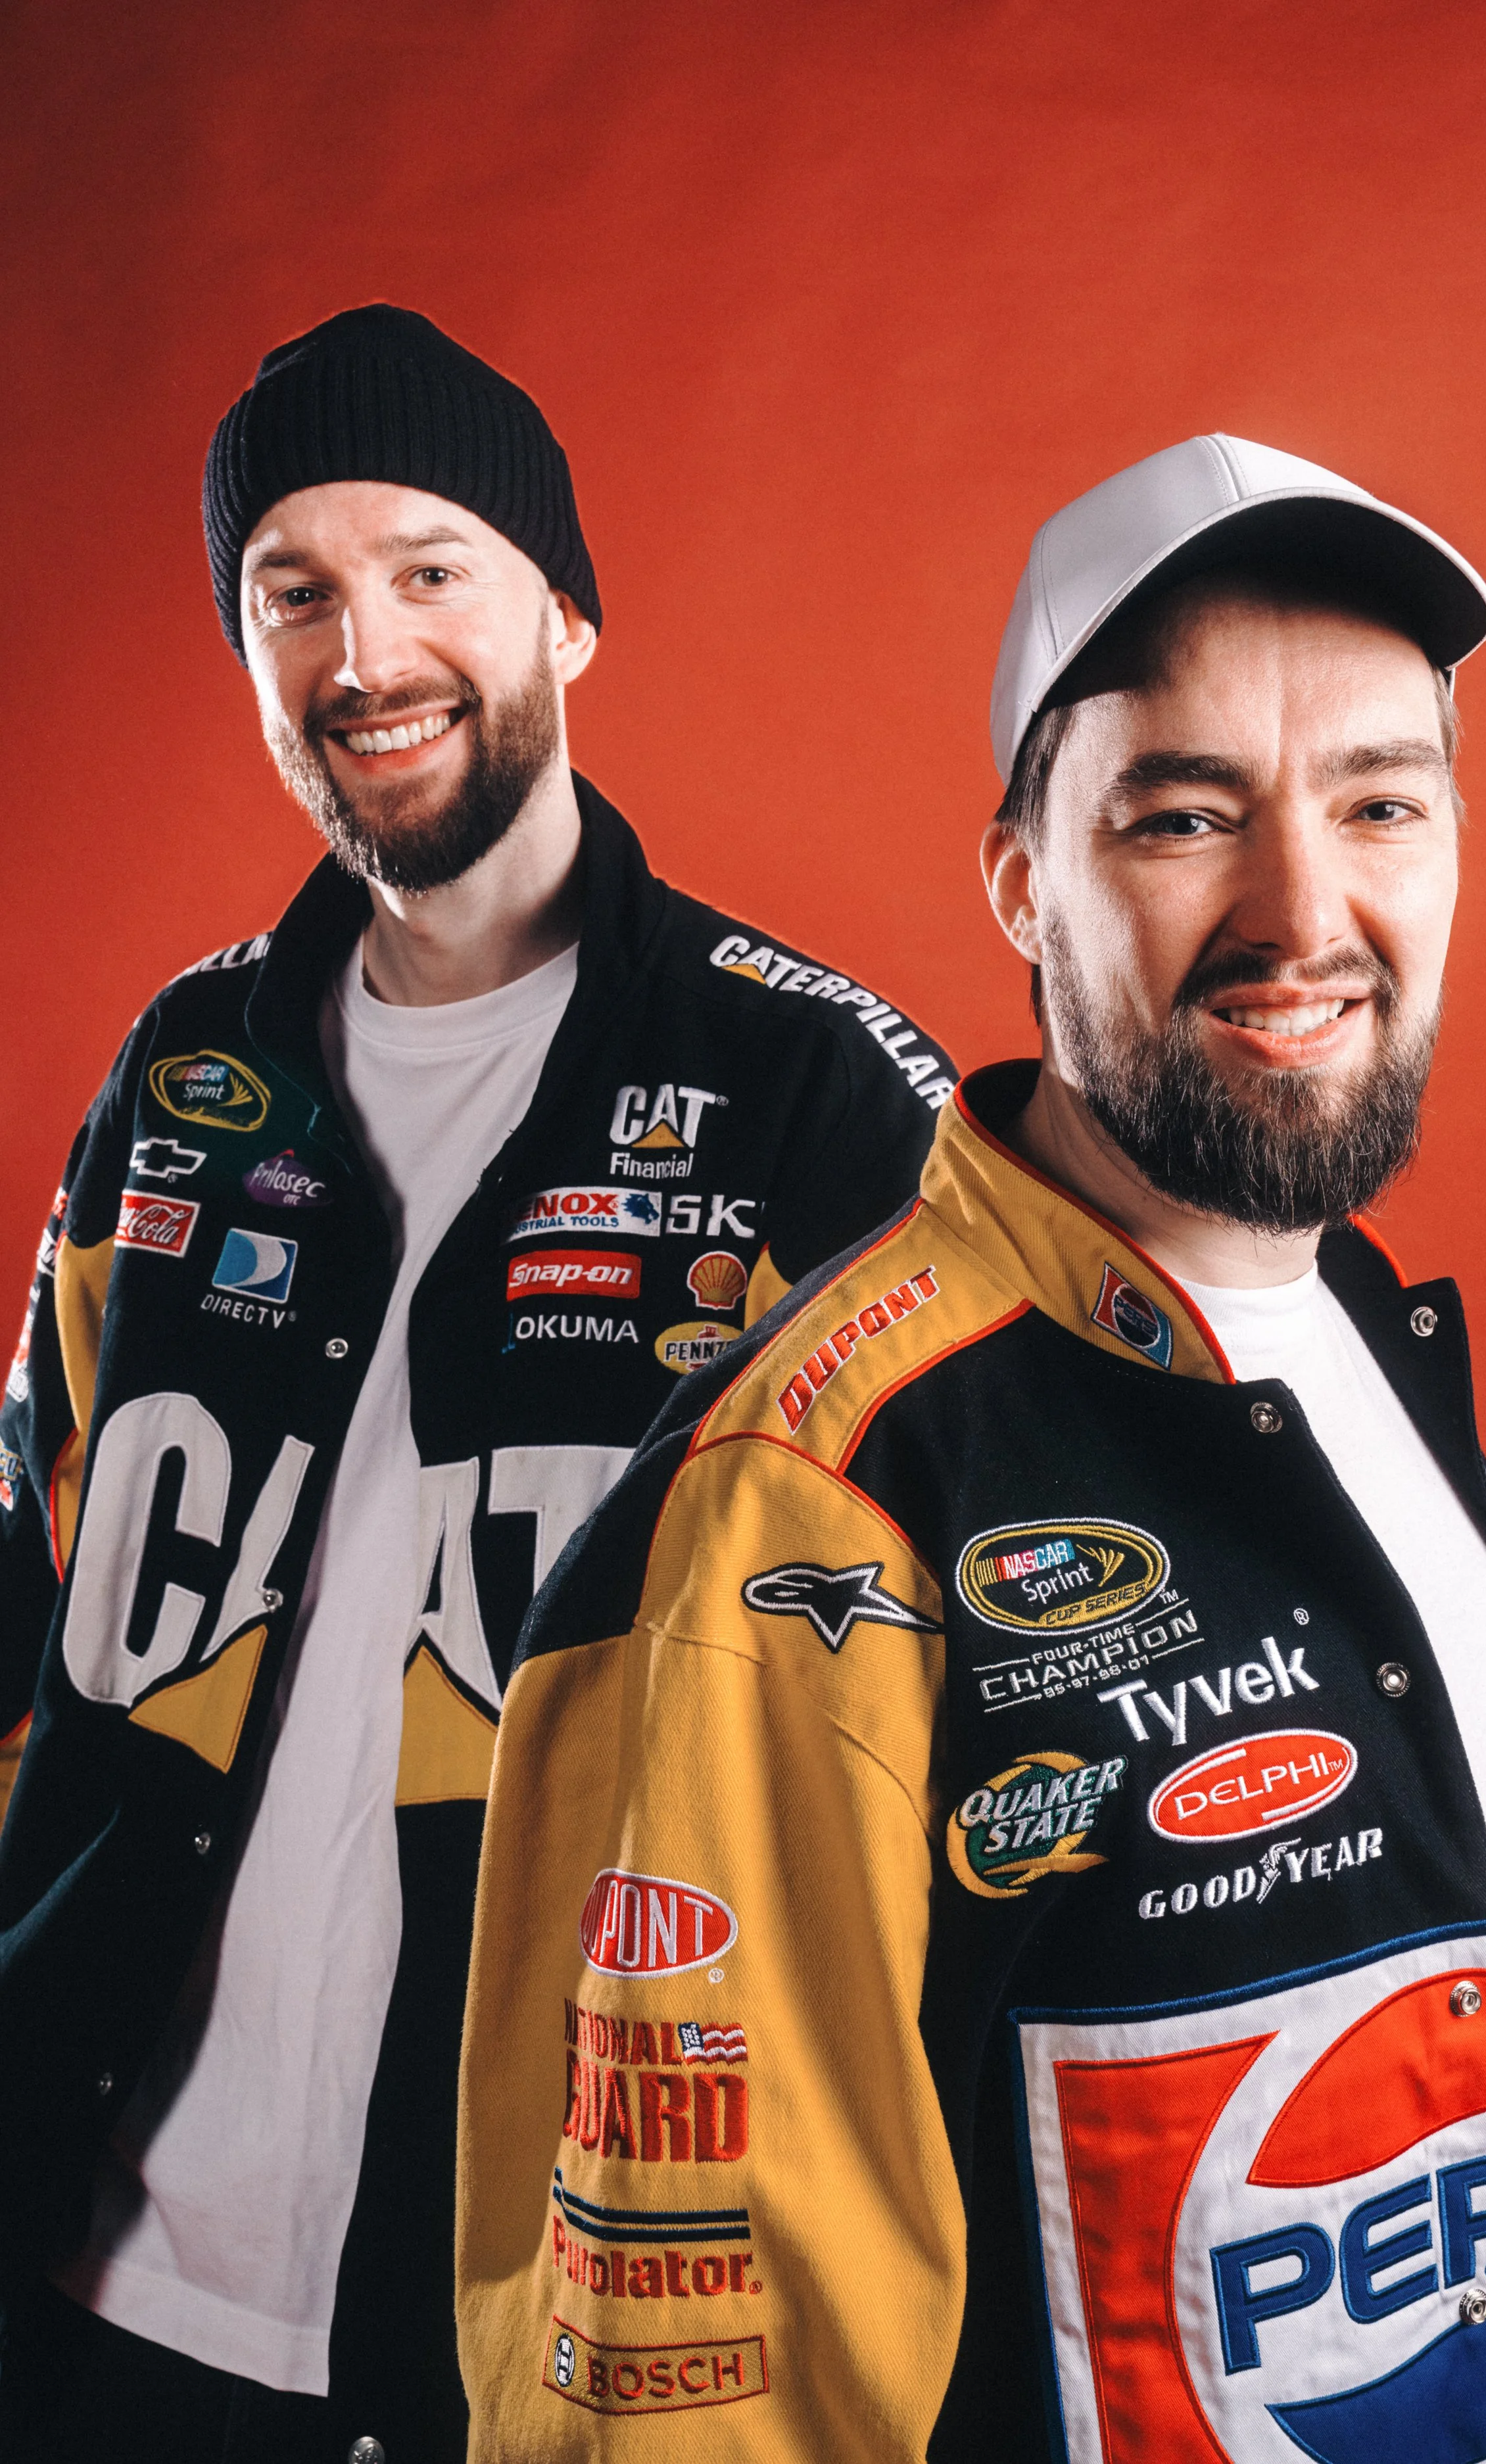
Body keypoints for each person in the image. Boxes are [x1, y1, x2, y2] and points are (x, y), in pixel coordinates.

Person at [456, 435, 1486, 2461]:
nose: (1302, 907)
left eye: (1377, 800)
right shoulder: (813, 1502)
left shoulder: (1360, 1334)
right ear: (1022, 882)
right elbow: (684, 2405)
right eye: (1183, 817)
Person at [0, 303, 955, 2464]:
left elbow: (932, 1732)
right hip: (86, 2282)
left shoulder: (811, 1092)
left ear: (569, 613)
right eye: (295, 592)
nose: (366, 653)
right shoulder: (186, 1069)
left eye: (431, 566)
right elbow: (24, 1591)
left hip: (522, 2325)